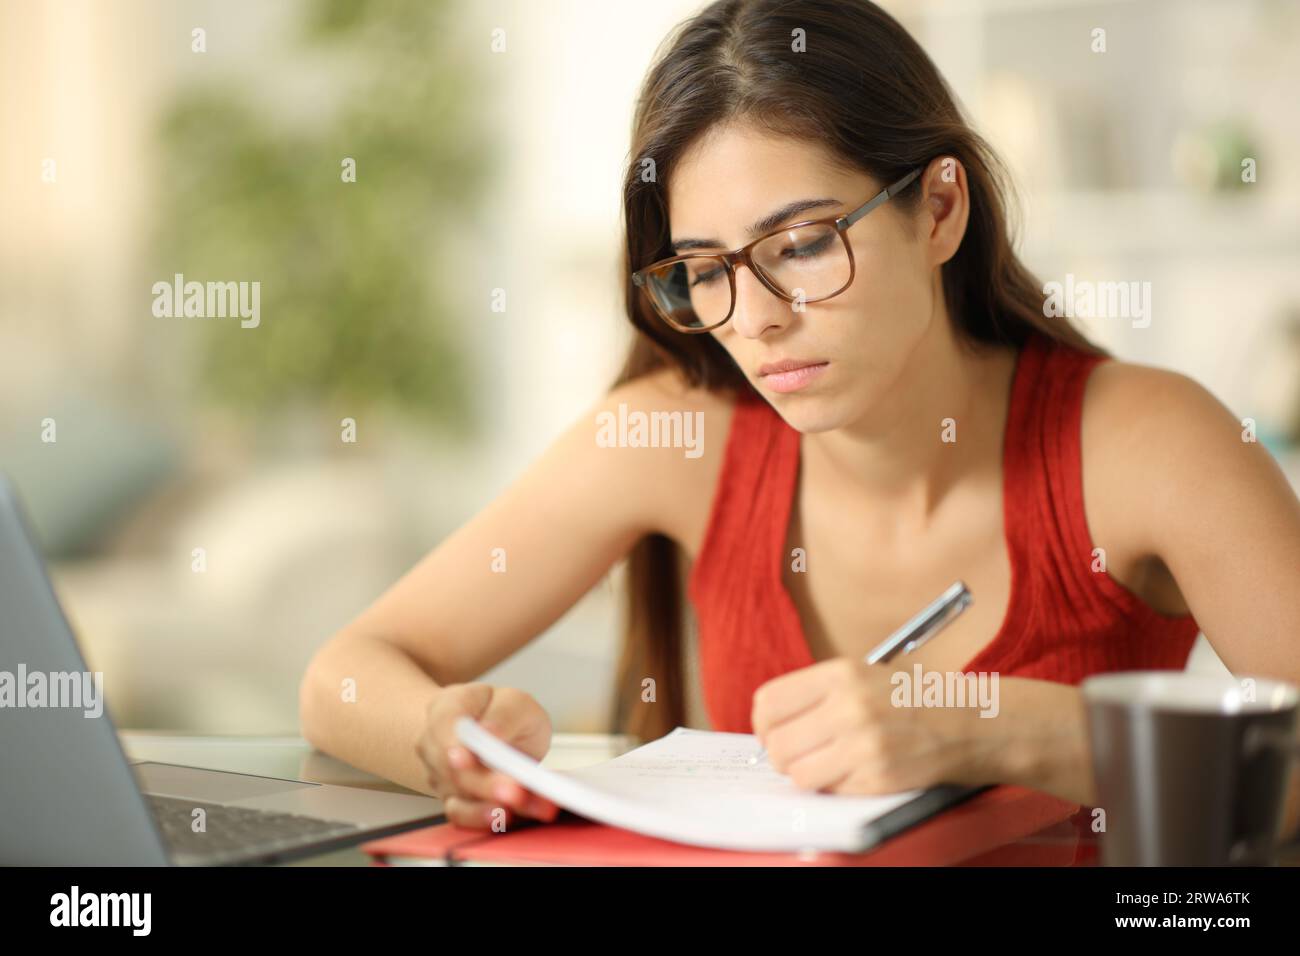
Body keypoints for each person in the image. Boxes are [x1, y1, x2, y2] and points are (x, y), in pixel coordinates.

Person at [299, 0, 1300, 836]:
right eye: (705, 270)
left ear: (940, 208)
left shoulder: (1150, 442)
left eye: (805, 243)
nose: (761, 319)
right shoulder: (676, 436)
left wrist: (990, 724)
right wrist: (441, 732)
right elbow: (342, 676)